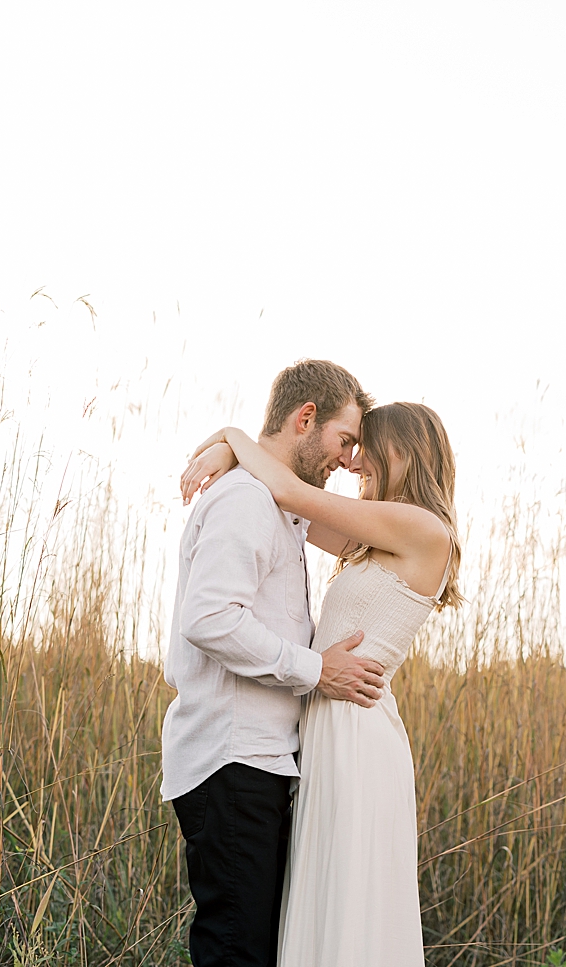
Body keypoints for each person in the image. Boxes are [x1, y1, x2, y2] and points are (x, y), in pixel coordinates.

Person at [182, 400, 462, 967]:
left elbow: (288, 492)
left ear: (402, 452)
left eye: (366, 450)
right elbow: (291, 511)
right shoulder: (377, 537)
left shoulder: (421, 528)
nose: (354, 464)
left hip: (358, 736)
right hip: (327, 730)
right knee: (321, 903)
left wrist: (232, 435)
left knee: (348, 908)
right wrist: (232, 454)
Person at [160, 359, 389, 967]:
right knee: (238, 953)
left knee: (251, 949)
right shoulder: (247, 503)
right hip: (233, 758)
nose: (347, 460)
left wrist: (233, 444)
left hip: (257, 761)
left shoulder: (275, 503)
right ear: (305, 418)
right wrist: (319, 671)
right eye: (344, 441)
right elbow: (209, 618)